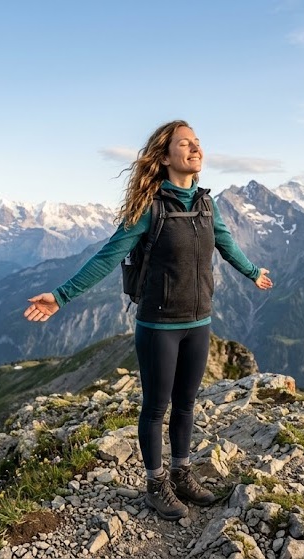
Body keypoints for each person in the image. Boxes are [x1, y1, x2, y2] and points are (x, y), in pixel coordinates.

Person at [24, 120, 273, 520]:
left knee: (186, 404)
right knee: (156, 408)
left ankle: (181, 474)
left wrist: (253, 272)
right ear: (165, 156)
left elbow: (226, 244)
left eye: (197, 142)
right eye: (185, 143)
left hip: (199, 323)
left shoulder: (207, 205)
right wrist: (61, 296)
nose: (195, 148)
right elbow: (107, 257)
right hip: (159, 327)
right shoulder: (150, 208)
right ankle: (156, 485)